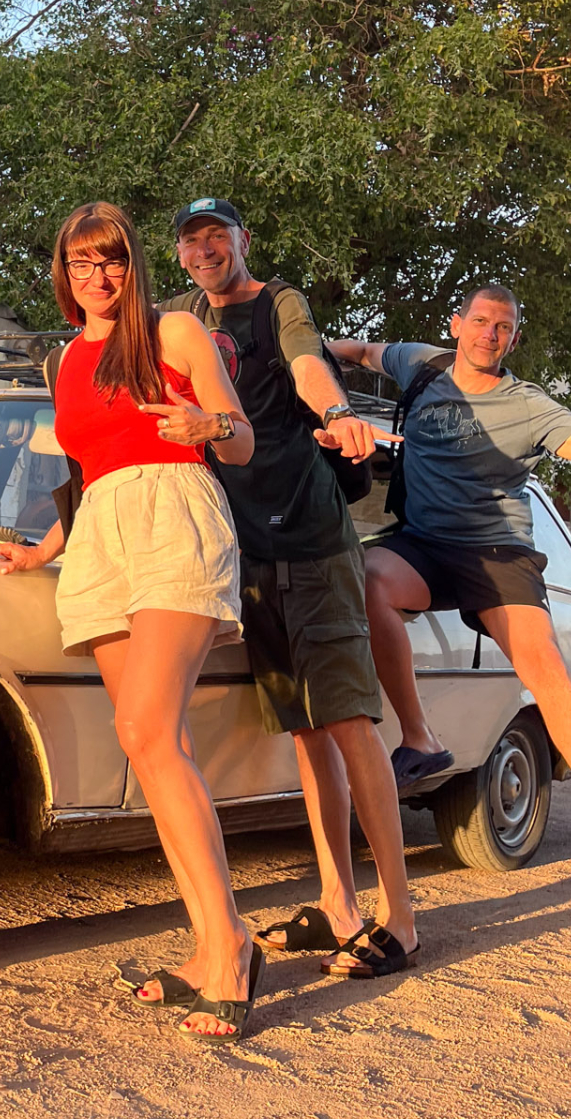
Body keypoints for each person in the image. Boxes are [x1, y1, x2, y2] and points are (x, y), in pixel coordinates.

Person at [0, 202, 263, 1043]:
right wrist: (39, 549)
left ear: (133, 265)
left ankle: (230, 946)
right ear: (64, 273)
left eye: (112, 260)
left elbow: (243, 440)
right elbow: (88, 471)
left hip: (175, 515)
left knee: (150, 731)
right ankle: (207, 949)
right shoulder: (66, 359)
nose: (98, 276)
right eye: (81, 262)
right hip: (99, 534)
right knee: (151, 746)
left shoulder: (175, 333)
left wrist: (208, 424)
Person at [164, 198, 418, 979]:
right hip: (243, 548)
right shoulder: (179, 318)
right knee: (308, 731)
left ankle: (401, 920)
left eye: (218, 235)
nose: (206, 249)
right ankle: (339, 907)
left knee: (347, 722)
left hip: (310, 539)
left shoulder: (280, 303)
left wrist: (338, 410)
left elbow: (308, 366)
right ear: (179, 255)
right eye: (192, 240)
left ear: (243, 240)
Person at [333, 284, 571, 859]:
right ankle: (420, 739)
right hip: (425, 545)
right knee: (369, 576)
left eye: (503, 327)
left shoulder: (528, 406)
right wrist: (302, 355)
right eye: (481, 321)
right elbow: (360, 352)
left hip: (496, 550)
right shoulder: (422, 366)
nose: (490, 334)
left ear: (514, 339)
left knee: (543, 666)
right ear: (457, 325)